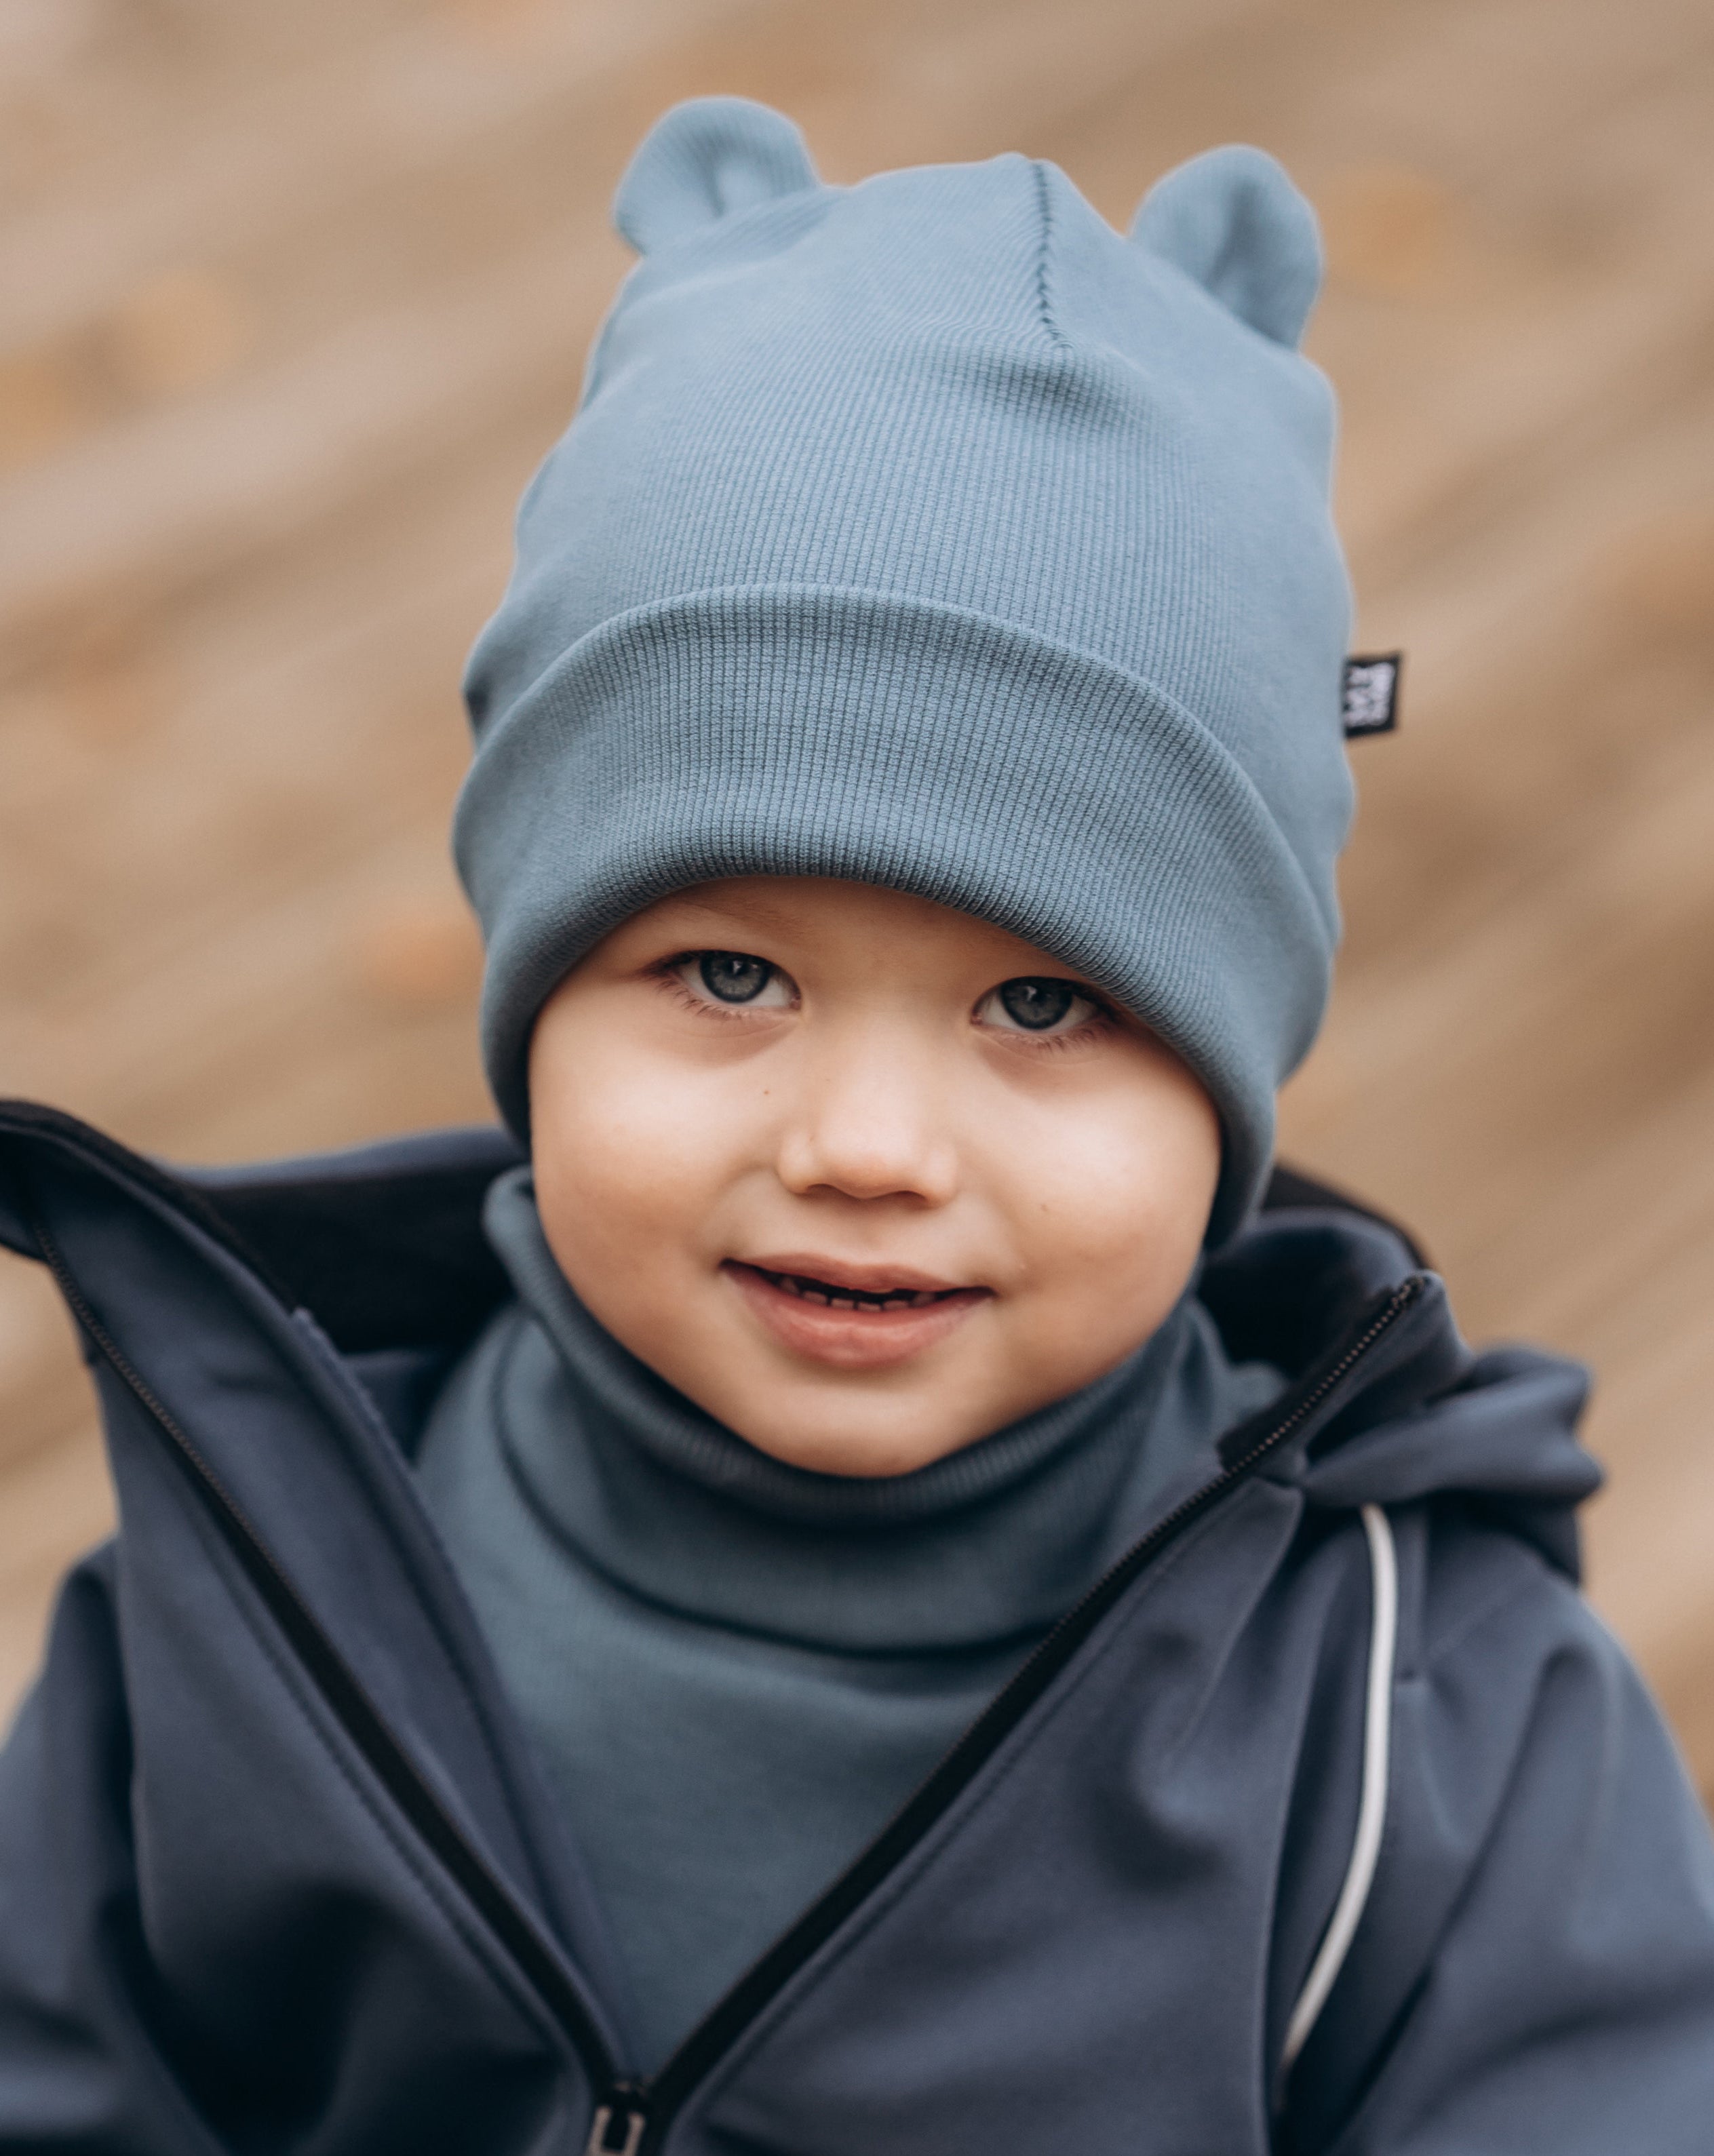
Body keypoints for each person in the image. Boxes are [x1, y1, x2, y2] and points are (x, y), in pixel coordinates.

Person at [2, 96, 1711, 2155]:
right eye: (730, 976)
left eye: (1044, 1000)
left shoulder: (1428, 1740)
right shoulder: (262, 1562)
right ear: (535, 996)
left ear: (1238, 1078)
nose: (871, 1142)